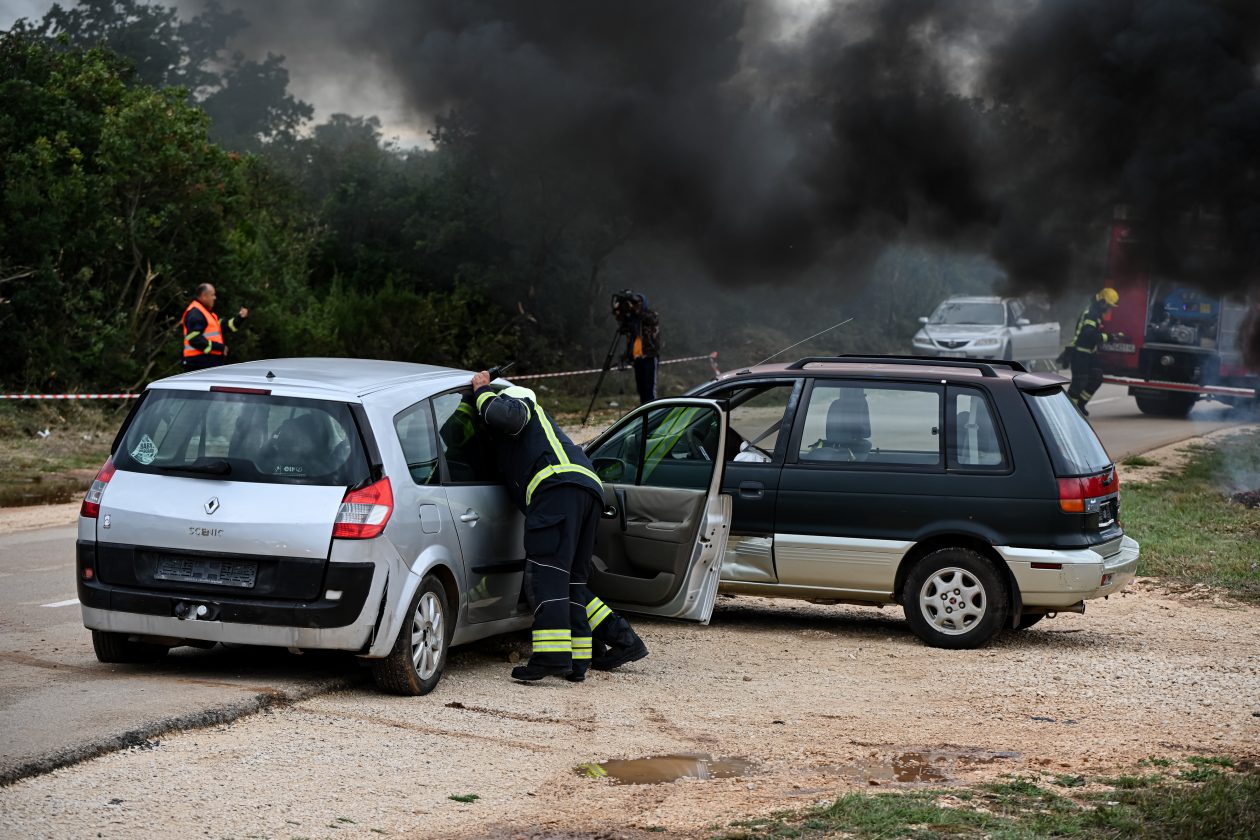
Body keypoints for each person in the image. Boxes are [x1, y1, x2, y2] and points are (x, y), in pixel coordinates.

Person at [471, 370, 648, 683]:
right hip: (585, 488)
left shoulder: (517, 397)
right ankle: (579, 662)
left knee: (547, 575)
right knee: (571, 582)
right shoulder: (525, 436)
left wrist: (481, 391)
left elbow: (507, 417)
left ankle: (551, 658)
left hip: (556, 487)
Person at [1065, 288, 1122, 416]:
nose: (1109, 309)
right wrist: (1110, 337)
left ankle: (1080, 404)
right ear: (1102, 302)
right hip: (1080, 354)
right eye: (1109, 306)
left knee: (1096, 378)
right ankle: (1069, 412)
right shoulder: (1091, 314)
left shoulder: (1096, 313)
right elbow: (1089, 334)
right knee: (1078, 384)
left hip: (1089, 354)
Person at [182, 283, 248, 371]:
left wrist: (240, 318)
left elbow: (226, 326)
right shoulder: (196, 313)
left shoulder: (206, 313)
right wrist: (219, 347)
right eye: (212, 295)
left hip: (206, 361)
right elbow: (194, 339)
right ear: (203, 296)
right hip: (198, 362)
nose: (214, 298)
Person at [621, 293, 661, 404]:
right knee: (641, 388)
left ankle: (653, 413)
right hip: (637, 357)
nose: (633, 306)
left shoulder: (651, 315)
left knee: (650, 389)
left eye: (636, 303)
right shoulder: (633, 318)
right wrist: (620, 311)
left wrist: (635, 308)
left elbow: (649, 319)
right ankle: (644, 412)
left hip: (649, 356)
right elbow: (624, 327)